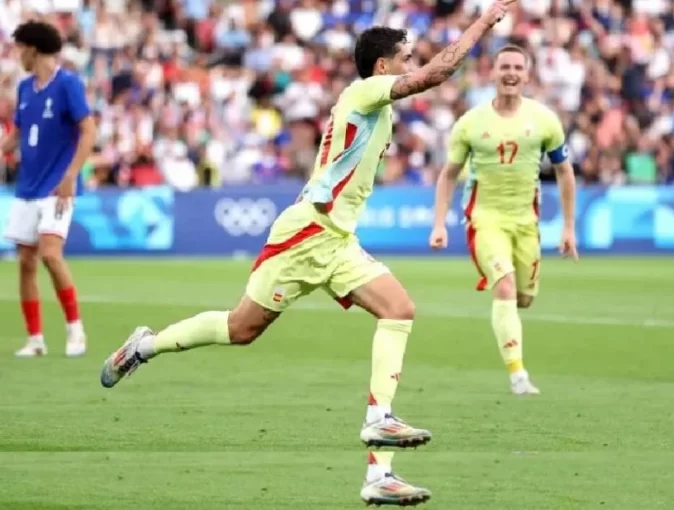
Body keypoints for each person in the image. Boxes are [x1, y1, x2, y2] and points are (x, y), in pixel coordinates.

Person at [100, 1, 517, 506]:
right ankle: (144, 345)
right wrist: (482, 21)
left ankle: (378, 466)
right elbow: (438, 72)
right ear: (382, 65)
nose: (413, 62)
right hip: (306, 233)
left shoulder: (379, 108)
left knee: (400, 309)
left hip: (338, 242)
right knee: (241, 330)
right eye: (405, 56)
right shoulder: (364, 92)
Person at [429, 45, 578, 395]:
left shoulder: (544, 120)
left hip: (526, 222)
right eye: (504, 67)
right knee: (505, 285)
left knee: (523, 298)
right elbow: (448, 174)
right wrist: (439, 223)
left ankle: (511, 338)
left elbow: (565, 172)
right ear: (492, 73)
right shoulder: (470, 123)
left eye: (517, 67)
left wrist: (569, 228)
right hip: (485, 219)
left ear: (527, 74)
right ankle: (518, 375)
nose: (511, 73)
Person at [1, 20, 95, 358]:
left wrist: (72, 174)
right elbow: (17, 136)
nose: (16, 55)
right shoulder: (25, 89)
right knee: (25, 262)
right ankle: (36, 340)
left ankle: (75, 330)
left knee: (51, 256)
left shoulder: (68, 84)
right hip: (27, 187)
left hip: (57, 187)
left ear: (33, 48)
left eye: (19, 48)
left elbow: (88, 131)